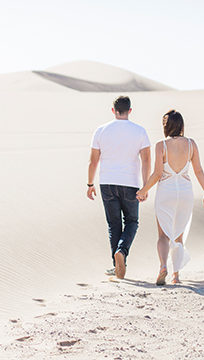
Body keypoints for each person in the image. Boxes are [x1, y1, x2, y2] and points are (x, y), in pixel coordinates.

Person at [136, 109, 204, 285]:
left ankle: (163, 266)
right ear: (181, 125)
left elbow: (156, 174)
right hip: (185, 193)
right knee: (178, 236)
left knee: (163, 235)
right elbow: (198, 170)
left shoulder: (161, 145)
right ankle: (176, 276)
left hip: (165, 193)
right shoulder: (191, 144)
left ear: (165, 126)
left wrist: (143, 190)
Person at [87, 96, 151, 279]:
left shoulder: (101, 130)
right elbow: (146, 159)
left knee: (114, 224)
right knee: (131, 222)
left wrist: (90, 183)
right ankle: (121, 253)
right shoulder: (139, 131)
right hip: (131, 183)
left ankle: (117, 265)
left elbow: (93, 161)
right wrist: (145, 186)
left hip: (107, 182)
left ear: (113, 110)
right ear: (130, 111)